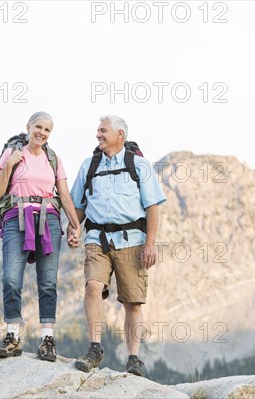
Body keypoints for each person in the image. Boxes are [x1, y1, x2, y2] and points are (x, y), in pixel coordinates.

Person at [70, 115, 166, 377]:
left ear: (120, 135)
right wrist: (73, 227)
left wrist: (150, 244)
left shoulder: (140, 166)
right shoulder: (88, 166)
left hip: (132, 242)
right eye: (98, 130)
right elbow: (77, 207)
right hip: (97, 240)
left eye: (103, 131)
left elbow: (152, 207)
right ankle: (95, 348)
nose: (98, 135)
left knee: (132, 302)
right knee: (93, 286)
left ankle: (134, 358)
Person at [0, 111, 82, 362]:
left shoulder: (53, 159)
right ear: (28, 127)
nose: (42, 132)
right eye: (38, 127)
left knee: (48, 283)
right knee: (11, 279)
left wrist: (75, 226)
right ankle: (13, 334)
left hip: (49, 220)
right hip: (15, 218)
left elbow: (64, 195)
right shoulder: (12, 155)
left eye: (47, 130)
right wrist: (9, 165)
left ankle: (47, 339)